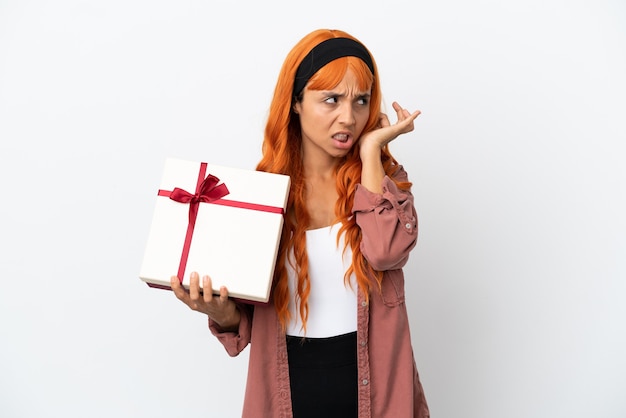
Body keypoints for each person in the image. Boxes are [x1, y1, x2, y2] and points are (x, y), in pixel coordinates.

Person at [170, 28, 430, 418]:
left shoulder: (383, 183)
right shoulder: (261, 196)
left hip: (374, 398)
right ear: (295, 103)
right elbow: (246, 326)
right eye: (332, 99)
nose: (350, 117)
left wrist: (372, 150)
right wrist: (221, 314)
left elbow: (384, 252)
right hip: (288, 395)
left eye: (361, 100)